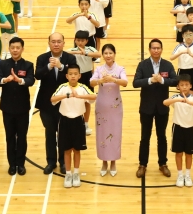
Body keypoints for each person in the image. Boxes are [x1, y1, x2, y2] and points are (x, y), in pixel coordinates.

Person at [133, 37, 178, 178]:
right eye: (154, 48)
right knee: (145, 137)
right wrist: (151, 80)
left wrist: (162, 80)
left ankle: (163, 164)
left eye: (158, 48)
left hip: (162, 107)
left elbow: (175, 81)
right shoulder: (143, 65)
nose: (156, 50)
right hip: (146, 107)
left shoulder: (167, 65)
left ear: (162, 49)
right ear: (149, 50)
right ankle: (142, 164)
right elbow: (135, 82)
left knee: (162, 136)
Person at [35, 31, 78, 175]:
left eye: (59, 41)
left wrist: (61, 67)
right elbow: (37, 75)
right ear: (49, 43)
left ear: (64, 43)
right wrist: (48, 66)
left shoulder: (70, 58)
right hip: (46, 103)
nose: (56, 44)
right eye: (53, 41)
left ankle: (63, 162)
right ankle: (51, 162)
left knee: (63, 134)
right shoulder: (42, 58)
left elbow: (73, 76)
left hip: (65, 103)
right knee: (49, 133)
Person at [0, 36, 35, 176]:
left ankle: (21, 164)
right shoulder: (3, 64)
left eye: (18, 48)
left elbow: (31, 80)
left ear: (22, 49)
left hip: (23, 108)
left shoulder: (28, 65)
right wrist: (6, 80)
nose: (15, 50)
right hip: (7, 108)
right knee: (10, 137)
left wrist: (20, 80)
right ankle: (12, 164)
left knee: (22, 137)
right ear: (9, 49)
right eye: (13, 48)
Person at [51, 64, 95, 188]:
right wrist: (67, 95)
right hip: (65, 121)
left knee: (77, 150)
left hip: (78, 122)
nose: (73, 76)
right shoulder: (63, 87)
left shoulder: (83, 88)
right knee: (66, 150)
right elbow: (52, 99)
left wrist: (79, 96)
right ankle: (68, 174)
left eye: (75, 74)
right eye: (70, 74)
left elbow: (93, 97)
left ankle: (76, 173)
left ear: (79, 75)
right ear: (67, 76)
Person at [90, 42, 127, 177]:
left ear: (114, 54)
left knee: (115, 133)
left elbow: (125, 82)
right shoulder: (99, 69)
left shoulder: (120, 69)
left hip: (115, 107)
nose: (108, 55)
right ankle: (104, 162)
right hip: (102, 106)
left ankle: (113, 162)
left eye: (110, 53)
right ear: (103, 55)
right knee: (102, 133)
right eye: (105, 53)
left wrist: (113, 79)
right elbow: (91, 82)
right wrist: (100, 81)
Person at [162, 75, 193, 187]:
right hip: (178, 128)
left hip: (190, 129)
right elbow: (165, 102)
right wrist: (179, 99)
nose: (184, 87)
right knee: (179, 153)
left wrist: (189, 102)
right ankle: (180, 175)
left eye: (186, 85)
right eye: (182, 85)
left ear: (190, 86)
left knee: (189, 153)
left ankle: (188, 175)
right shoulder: (175, 97)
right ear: (178, 87)